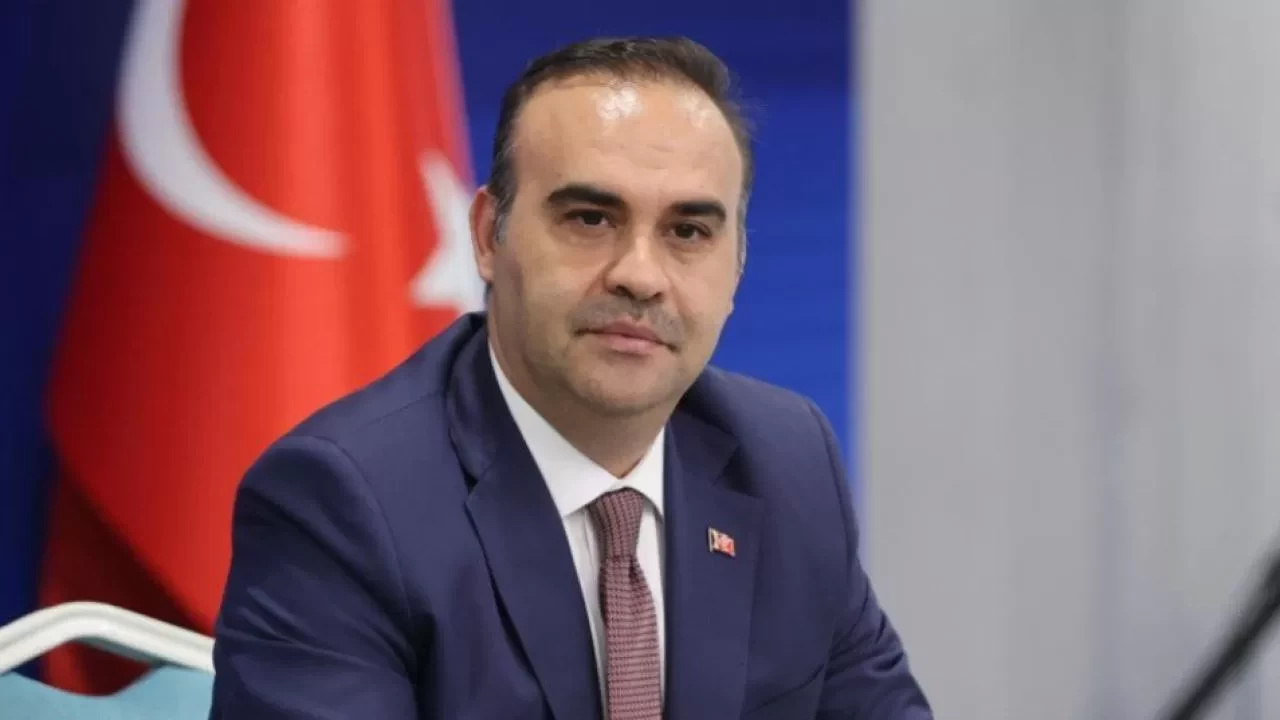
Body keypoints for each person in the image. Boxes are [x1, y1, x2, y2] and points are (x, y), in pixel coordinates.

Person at [209, 36, 931, 719]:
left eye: (687, 232)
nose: (640, 276)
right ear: (487, 237)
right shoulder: (342, 503)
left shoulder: (787, 460)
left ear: (738, 263)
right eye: (590, 219)